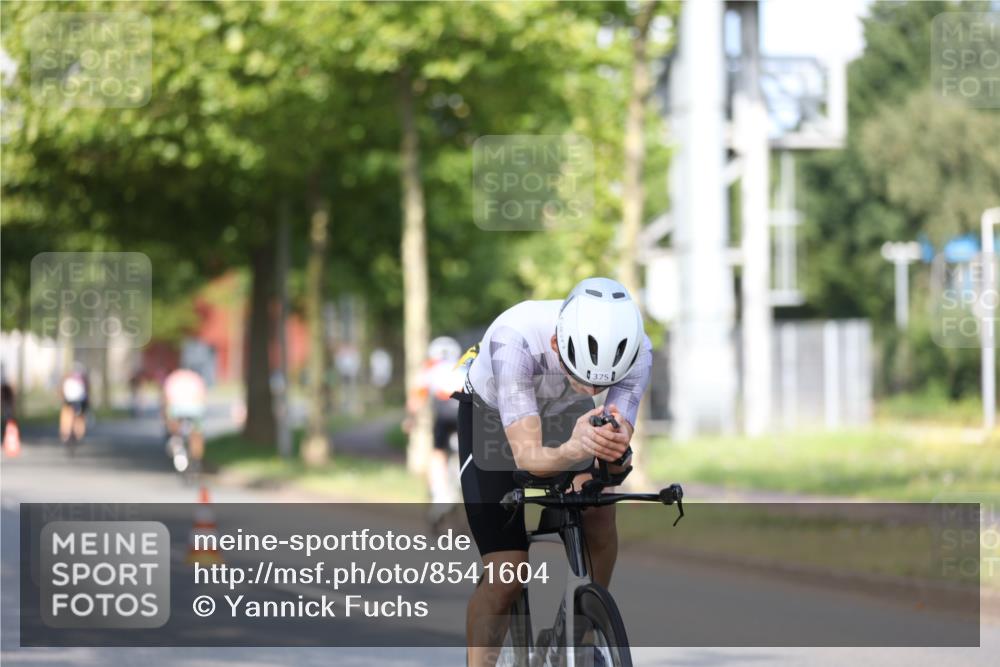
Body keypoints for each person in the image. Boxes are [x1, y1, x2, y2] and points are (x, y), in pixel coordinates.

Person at [458, 277, 651, 667]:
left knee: (599, 509)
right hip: (491, 417)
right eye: (578, 375)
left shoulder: (638, 351)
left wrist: (612, 461)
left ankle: (582, 633)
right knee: (508, 573)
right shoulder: (514, 340)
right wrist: (576, 449)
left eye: (598, 384)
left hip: (564, 414)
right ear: (554, 345)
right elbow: (528, 456)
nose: (587, 388)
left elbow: (614, 454)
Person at [404, 336, 466, 513]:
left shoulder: (430, 369)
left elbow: (415, 400)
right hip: (466, 412)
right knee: (465, 449)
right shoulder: (465, 366)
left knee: (438, 452)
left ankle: (440, 494)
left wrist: (410, 420)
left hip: (445, 413)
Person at [162, 367, 207, 473]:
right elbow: (203, 397)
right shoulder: (196, 378)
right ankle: (196, 460)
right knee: (197, 434)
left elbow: (166, 398)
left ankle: (176, 444)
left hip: (176, 410)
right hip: (195, 410)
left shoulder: (172, 378)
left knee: (174, 430)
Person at [59, 363, 90, 445]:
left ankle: (65, 434)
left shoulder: (66, 378)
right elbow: (87, 391)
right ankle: (79, 434)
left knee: (66, 414)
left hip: (68, 400)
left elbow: (62, 390)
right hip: (81, 401)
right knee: (80, 417)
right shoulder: (83, 379)